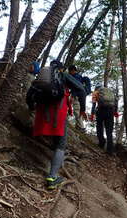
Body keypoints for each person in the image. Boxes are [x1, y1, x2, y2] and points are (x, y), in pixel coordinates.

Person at [26, 60, 87, 189]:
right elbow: (81, 89)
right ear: (61, 68)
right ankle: (52, 177)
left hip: (42, 112)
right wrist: (82, 107)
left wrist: (31, 107)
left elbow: (29, 94)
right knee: (61, 144)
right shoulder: (63, 76)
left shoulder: (42, 75)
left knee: (49, 137)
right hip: (57, 113)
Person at [89, 84, 119, 155]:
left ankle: (101, 143)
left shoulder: (96, 92)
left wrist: (92, 114)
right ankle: (110, 150)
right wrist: (115, 112)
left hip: (101, 110)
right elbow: (116, 102)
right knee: (109, 130)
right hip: (110, 111)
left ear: (96, 88)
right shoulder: (110, 91)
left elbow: (93, 104)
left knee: (99, 127)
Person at [68, 65, 91, 132]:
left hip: (77, 96)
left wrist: (72, 96)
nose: (69, 73)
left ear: (72, 70)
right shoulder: (79, 77)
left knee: (77, 110)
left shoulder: (75, 77)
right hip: (81, 96)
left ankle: (81, 127)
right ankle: (78, 126)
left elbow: (75, 87)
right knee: (78, 110)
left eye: (70, 71)